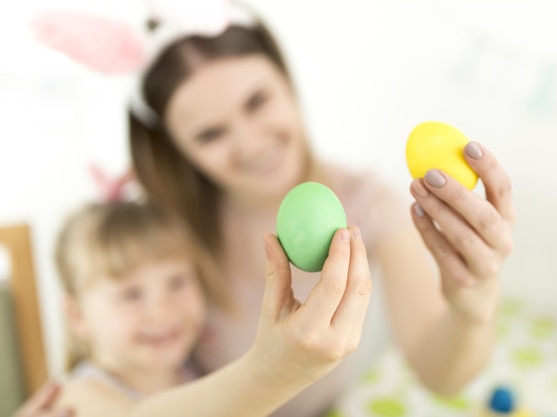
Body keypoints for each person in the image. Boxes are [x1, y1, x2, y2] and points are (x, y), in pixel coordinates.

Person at [20, 2, 514, 416]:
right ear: (177, 149)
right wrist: (271, 373)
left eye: (257, 101)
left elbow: (441, 372)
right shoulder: (164, 229)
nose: (251, 144)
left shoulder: (368, 204)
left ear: (287, 80)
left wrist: (473, 300)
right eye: (209, 134)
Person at [44, 200, 214, 416]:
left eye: (177, 282)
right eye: (131, 295)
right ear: (77, 315)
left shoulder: (195, 373)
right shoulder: (79, 396)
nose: (163, 310)